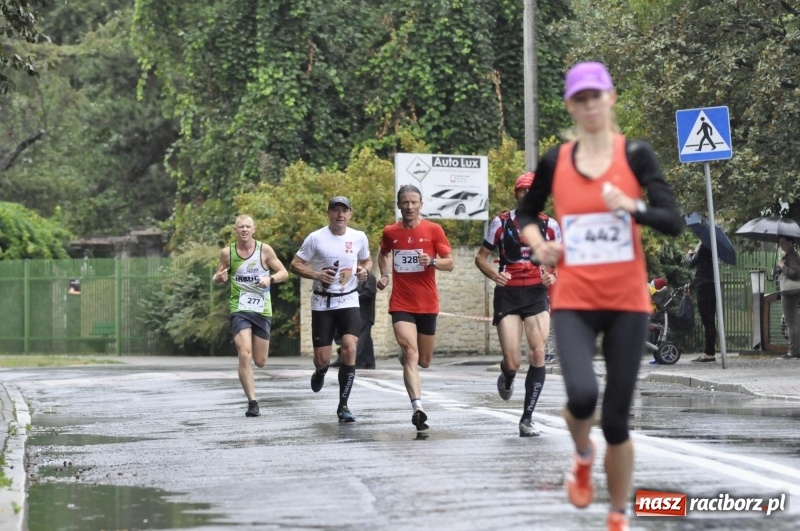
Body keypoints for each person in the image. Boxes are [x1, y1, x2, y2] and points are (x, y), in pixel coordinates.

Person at [515, 62, 683, 530]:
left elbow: (673, 219)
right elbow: (526, 212)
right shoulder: (557, 160)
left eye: (597, 96)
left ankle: (616, 515)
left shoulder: (635, 155)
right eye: (580, 98)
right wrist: (538, 243)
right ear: (571, 105)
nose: (589, 105)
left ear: (610, 99)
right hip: (574, 299)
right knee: (583, 395)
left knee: (616, 421)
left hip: (628, 301)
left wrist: (633, 206)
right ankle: (583, 454)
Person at [475, 171, 562, 437]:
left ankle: (526, 419)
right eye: (523, 191)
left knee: (537, 354)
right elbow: (481, 257)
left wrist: (553, 275)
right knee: (512, 361)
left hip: (536, 293)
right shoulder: (501, 223)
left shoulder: (551, 226)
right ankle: (508, 374)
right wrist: (494, 274)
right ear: (517, 194)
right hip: (509, 294)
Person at [377, 184, 454, 431]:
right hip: (401, 302)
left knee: (425, 360)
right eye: (405, 202)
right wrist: (385, 274)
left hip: (427, 303)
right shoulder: (390, 231)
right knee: (411, 353)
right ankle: (418, 407)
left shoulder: (433, 230)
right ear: (398, 205)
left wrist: (432, 261)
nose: (409, 206)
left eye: (414, 202)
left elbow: (450, 263)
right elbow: (384, 252)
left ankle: (407, 353)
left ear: (421, 204)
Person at [290, 196, 372, 422]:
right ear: (328, 213)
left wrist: (364, 271)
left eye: (344, 211)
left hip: (348, 300)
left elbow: (367, 261)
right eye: (335, 210)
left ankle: (343, 405)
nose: (340, 215)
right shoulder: (315, 238)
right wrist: (316, 274)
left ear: (350, 214)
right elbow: (295, 264)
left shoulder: (359, 237)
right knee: (322, 359)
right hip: (322, 302)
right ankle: (320, 371)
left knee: (349, 348)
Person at [213, 214, 289, 417]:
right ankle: (252, 402)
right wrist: (219, 277)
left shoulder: (264, 250)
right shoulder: (227, 253)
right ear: (235, 230)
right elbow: (217, 277)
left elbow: (284, 272)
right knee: (244, 353)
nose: (244, 229)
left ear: (254, 229)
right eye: (241, 227)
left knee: (260, 360)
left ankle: (253, 392)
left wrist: (270, 279)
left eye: (248, 226)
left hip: (262, 309)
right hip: (239, 308)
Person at [686, 242, 717, 362]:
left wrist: (688, 254)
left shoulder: (704, 247)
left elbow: (691, 263)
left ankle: (709, 353)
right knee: (709, 321)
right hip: (709, 286)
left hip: (704, 287)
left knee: (707, 320)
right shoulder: (712, 248)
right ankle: (708, 352)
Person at [777, 236, 800, 359]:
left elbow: (795, 273)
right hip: (791, 291)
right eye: (780, 243)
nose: (781, 245)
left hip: (790, 292)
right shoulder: (790, 256)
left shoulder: (793, 256)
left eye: (783, 242)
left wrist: (782, 266)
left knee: (790, 321)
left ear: (790, 242)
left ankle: (793, 351)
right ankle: (795, 349)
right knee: (793, 321)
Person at [355, 271, 377, 369]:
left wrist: (356, 296)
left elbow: (370, 293)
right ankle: (369, 362)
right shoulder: (357, 277)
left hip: (365, 313)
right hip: (360, 312)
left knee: (362, 336)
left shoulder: (369, 276)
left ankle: (357, 361)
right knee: (366, 338)